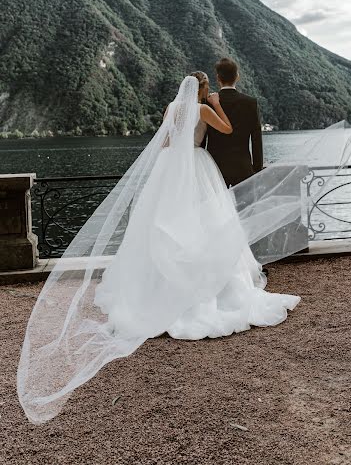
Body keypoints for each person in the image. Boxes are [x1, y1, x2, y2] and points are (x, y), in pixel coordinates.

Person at [17, 73, 302, 425]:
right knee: (202, 227)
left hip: (168, 170)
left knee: (161, 228)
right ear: (201, 89)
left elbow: (166, 140)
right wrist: (213, 105)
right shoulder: (203, 108)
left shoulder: (170, 108)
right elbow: (227, 131)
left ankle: (154, 287)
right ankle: (203, 287)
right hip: (196, 168)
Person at [206, 58, 263, 187]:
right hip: (243, 167)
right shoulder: (250, 102)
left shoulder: (208, 103)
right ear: (237, 76)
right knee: (246, 207)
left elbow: (203, 137)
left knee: (218, 207)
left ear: (218, 78)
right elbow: (256, 139)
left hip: (215, 168)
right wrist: (257, 169)